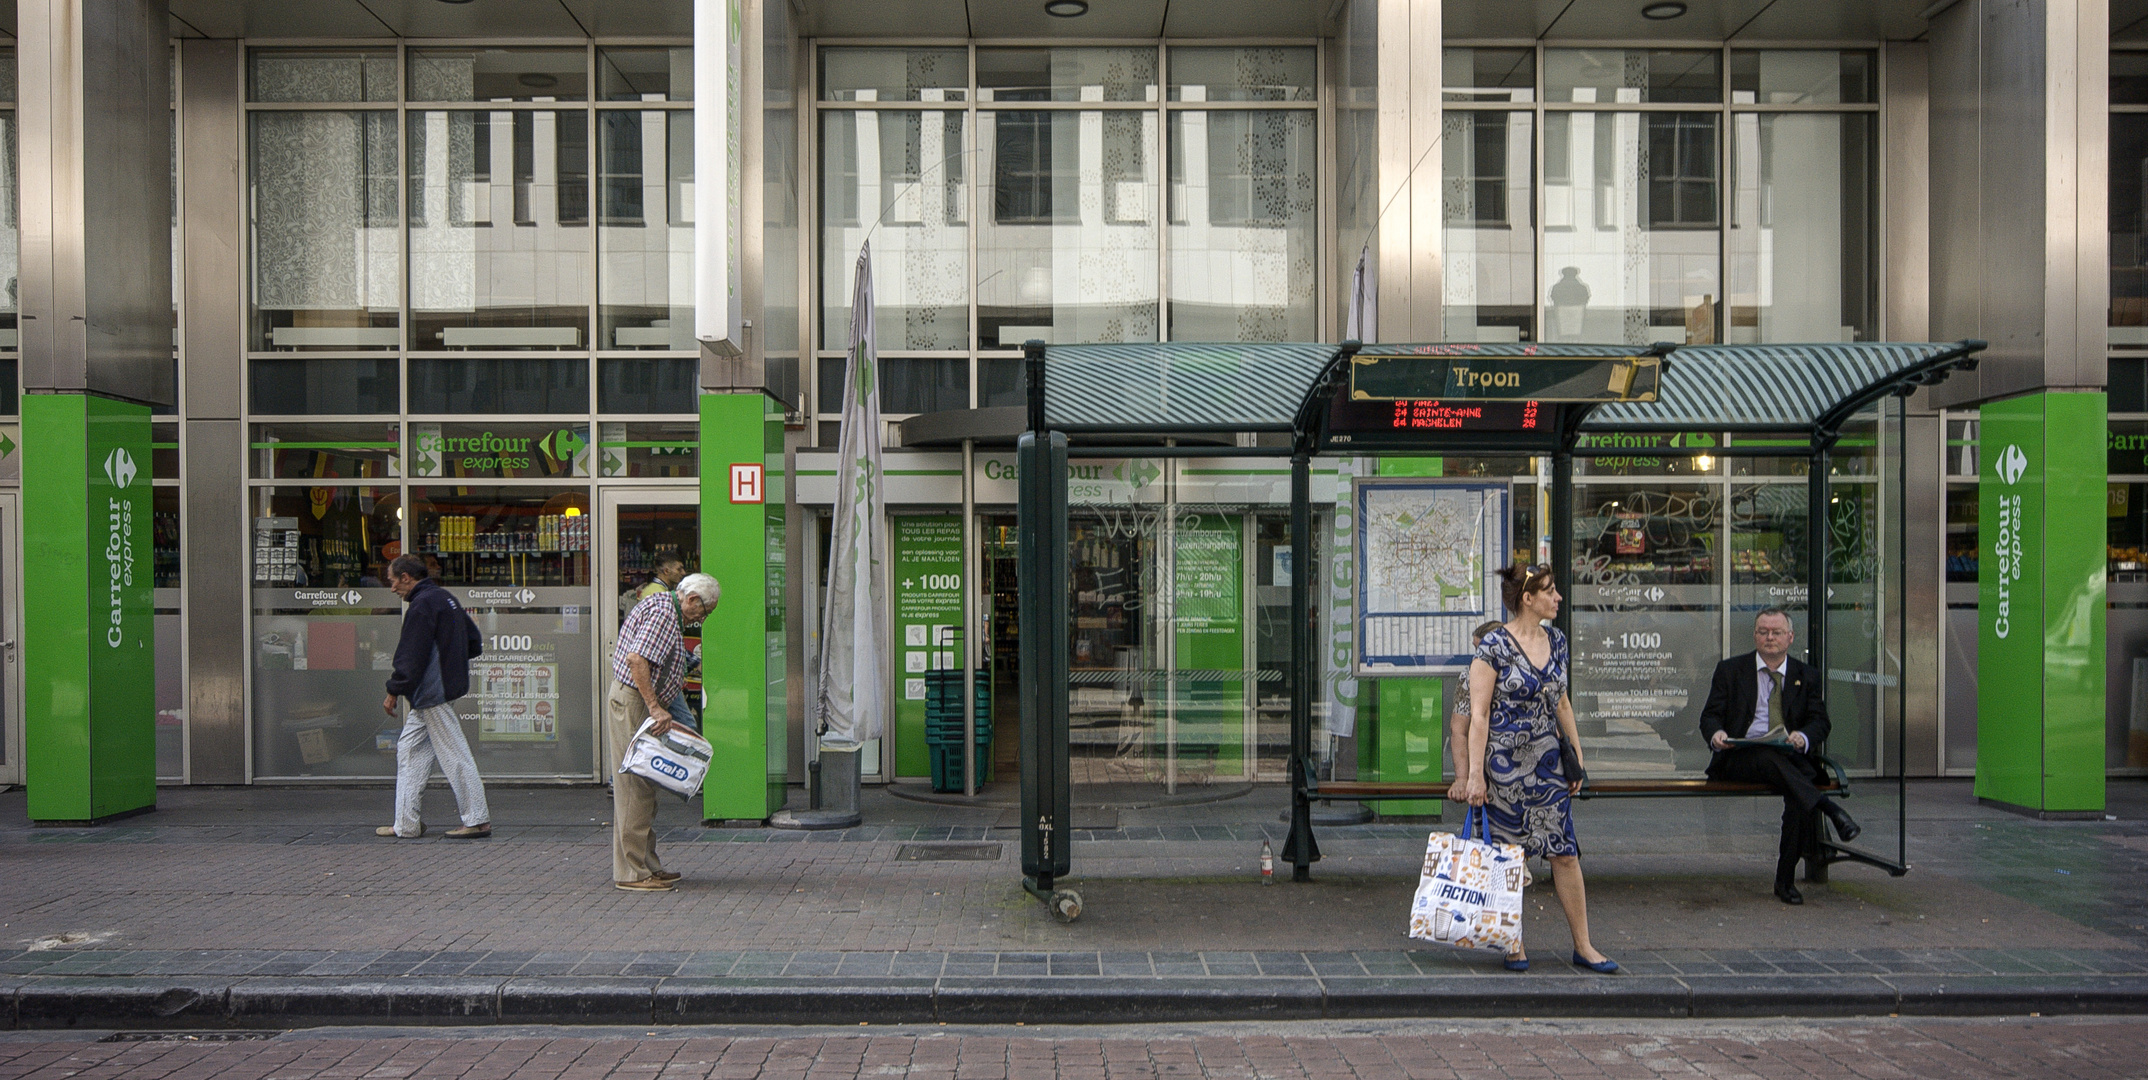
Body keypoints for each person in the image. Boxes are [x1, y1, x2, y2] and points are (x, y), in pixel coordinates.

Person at [1459, 565, 1617, 974]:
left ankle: (1584, 945)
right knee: (1508, 857)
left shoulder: (1558, 641)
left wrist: (1576, 757)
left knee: (1564, 852)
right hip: (1503, 766)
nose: (1558, 597)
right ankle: (1514, 943)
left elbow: (1562, 702)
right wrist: (1475, 774)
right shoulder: (1493, 645)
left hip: (1547, 764)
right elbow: (1478, 716)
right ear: (1527, 599)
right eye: (1550, 591)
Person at [1699, 607, 1859, 906]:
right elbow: (1709, 716)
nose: (1769, 638)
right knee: (1766, 755)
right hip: (1740, 758)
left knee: (1798, 796)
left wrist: (1803, 736)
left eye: (1776, 633)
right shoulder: (1730, 670)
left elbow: (1820, 721)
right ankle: (1830, 809)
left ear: (1790, 637)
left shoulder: (1806, 675)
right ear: (1755, 636)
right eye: (1763, 632)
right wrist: (1717, 734)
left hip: (1788, 759)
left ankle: (1784, 880)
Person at [608, 572, 721, 892]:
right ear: (692, 600)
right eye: (705, 611)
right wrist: (655, 708)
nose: (703, 618)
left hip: (639, 700)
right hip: (635, 702)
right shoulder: (662, 613)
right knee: (635, 788)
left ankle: (646, 864)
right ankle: (631, 872)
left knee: (644, 786)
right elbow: (637, 660)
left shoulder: (664, 607)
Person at [376, 554, 490, 840]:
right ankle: (406, 824)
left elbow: (410, 653)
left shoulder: (421, 604)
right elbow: (473, 641)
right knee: (410, 750)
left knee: (454, 753)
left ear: (406, 577)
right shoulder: (444, 598)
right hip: (443, 688)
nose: (392, 589)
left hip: (430, 692)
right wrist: (451, 662)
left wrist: (394, 689)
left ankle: (477, 819)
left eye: (392, 581)